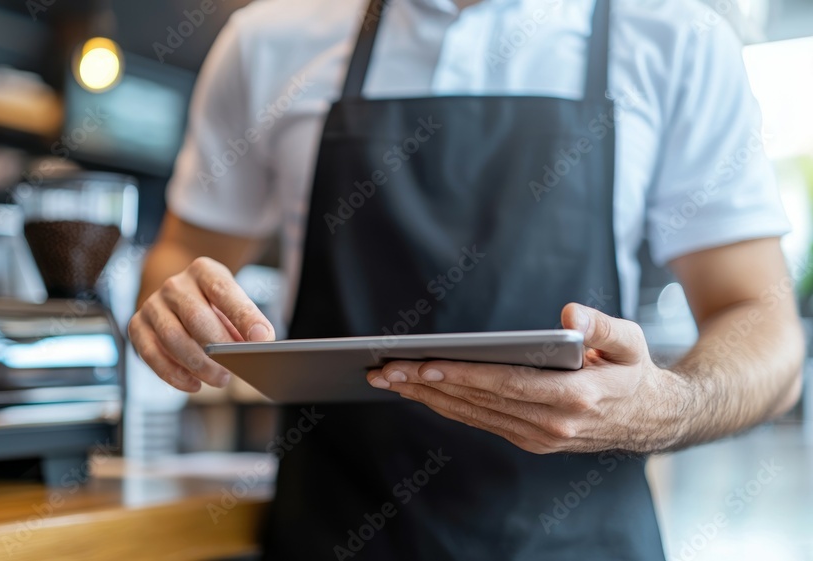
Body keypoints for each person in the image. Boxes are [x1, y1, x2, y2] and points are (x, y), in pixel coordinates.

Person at [128, 0, 804, 558]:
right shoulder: (268, 40)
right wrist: (175, 310)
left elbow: (766, 328)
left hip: (580, 541)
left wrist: (664, 404)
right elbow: (180, 256)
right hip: (335, 532)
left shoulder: (677, 40)